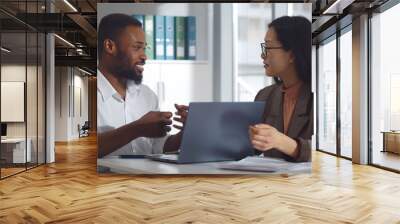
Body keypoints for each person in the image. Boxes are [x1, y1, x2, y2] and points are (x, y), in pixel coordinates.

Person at [97, 13, 187, 158]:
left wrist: (185, 134)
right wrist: (137, 129)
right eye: (137, 48)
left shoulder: (148, 95)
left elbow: (159, 147)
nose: (144, 56)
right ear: (109, 46)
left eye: (144, 48)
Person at [249, 16, 313, 162]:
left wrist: (282, 142)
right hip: (271, 183)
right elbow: (251, 148)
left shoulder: (320, 96)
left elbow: (329, 154)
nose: (262, 55)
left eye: (268, 47)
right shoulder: (264, 95)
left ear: (292, 54)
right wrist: (198, 125)